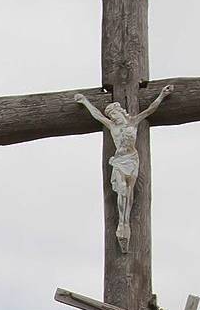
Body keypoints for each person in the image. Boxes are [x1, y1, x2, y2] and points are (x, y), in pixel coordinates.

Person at [74, 84, 174, 252]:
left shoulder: (133, 122)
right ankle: (122, 223)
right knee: (121, 190)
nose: (113, 118)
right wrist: (85, 102)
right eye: (111, 116)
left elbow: (150, 110)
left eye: (114, 114)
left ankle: (126, 222)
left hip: (132, 160)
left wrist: (162, 95)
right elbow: (97, 115)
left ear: (121, 113)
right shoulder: (113, 127)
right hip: (119, 161)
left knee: (128, 193)